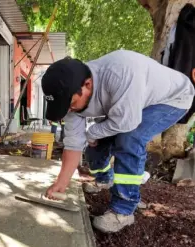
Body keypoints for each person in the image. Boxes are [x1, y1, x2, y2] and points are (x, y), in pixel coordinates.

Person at [41, 50, 195, 233]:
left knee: (129, 138)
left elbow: (127, 122)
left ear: (87, 85)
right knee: (96, 142)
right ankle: (104, 180)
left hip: (172, 98)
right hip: (130, 102)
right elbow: (74, 143)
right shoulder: (71, 96)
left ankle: (124, 209)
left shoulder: (120, 74)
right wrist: (61, 182)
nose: (70, 110)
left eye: (72, 104)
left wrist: (93, 132)